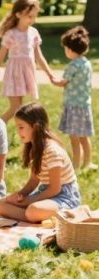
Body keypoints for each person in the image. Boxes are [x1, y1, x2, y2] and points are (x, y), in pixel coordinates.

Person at [0, 102, 81, 222]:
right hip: (45, 193)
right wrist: (21, 195)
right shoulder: (34, 148)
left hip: (64, 196)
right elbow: (34, 180)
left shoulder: (52, 151)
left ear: (35, 127)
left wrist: (30, 200)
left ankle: (38, 215)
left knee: (33, 210)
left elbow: (55, 189)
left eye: (21, 127)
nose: (18, 132)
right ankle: (35, 217)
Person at [0, 0, 56, 122]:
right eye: (29, 16)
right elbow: (0, 56)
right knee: (16, 108)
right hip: (14, 74)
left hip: (27, 73)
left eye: (35, 16)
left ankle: (22, 135)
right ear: (18, 14)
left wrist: (50, 75)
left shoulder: (33, 33)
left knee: (22, 110)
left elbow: (39, 56)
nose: (33, 19)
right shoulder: (11, 34)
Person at [51, 25, 95, 171]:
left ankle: (75, 166)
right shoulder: (87, 63)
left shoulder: (73, 66)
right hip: (84, 105)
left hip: (73, 106)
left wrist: (53, 80)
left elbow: (63, 82)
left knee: (74, 138)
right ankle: (87, 163)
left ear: (70, 49)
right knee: (83, 137)